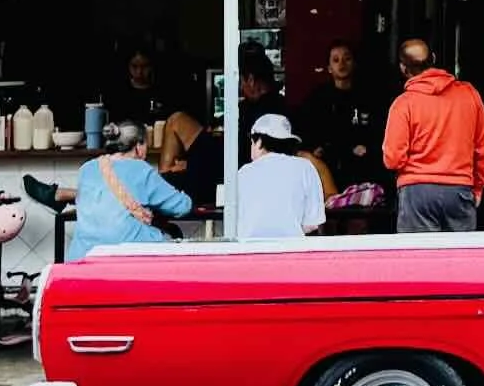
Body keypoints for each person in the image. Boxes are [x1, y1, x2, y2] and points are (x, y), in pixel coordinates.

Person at [383, 39, 484, 234]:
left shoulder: (403, 104)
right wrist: (478, 187)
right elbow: (482, 148)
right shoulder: (469, 94)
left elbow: (393, 159)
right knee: (459, 254)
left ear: (403, 69)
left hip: (416, 193)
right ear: (433, 58)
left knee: (420, 253)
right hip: (460, 190)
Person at [66, 122, 195, 263]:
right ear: (138, 146)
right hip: (129, 254)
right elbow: (182, 207)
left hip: (81, 256)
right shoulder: (141, 169)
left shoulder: (87, 168)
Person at [299, 40, 387, 191]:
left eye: (347, 58)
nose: (342, 64)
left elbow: (378, 131)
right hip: (328, 169)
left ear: (354, 63)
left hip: (362, 171)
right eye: (336, 60)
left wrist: (368, 149)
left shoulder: (369, 97)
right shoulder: (318, 98)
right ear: (329, 68)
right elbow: (308, 130)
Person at [235, 114, 326, 242]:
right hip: (291, 248)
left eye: (251, 142)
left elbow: (232, 220)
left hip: (249, 249)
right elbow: (312, 224)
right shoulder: (305, 167)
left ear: (259, 141)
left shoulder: (242, 173)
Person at [154, 108, 224, 210]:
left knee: (176, 119)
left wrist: (191, 163)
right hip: (213, 168)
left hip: (214, 176)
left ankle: (164, 183)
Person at [104, 46, 172, 127]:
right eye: (134, 66)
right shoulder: (119, 92)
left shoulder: (160, 92)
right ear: (128, 66)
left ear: (151, 67)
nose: (139, 72)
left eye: (144, 66)